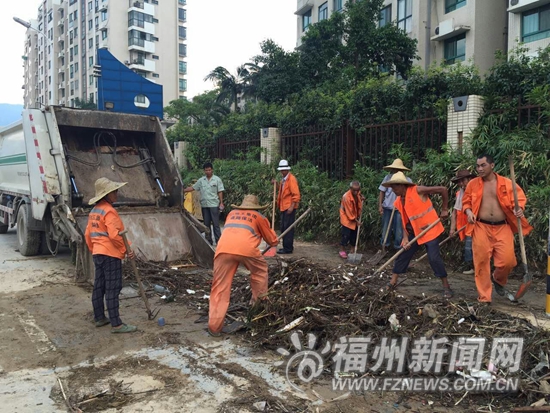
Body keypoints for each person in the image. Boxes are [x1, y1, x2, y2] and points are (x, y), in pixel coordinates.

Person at [462, 154, 533, 304]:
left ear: (492, 165)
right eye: (478, 166)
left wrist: (519, 209)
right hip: (481, 226)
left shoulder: (507, 183)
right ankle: (484, 297)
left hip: (503, 226)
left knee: (508, 261)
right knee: (481, 262)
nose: (479, 169)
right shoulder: (473, 184)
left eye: (483, 165)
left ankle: (498, 279)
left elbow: (519, 200)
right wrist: (468, 212)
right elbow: (466, 202)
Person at [208, 195, 278, 336]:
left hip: (223, 249)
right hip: (246, 250)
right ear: (256, 207)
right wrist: (273, 240)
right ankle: (258, 308)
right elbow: (272, 240)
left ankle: (214, 327)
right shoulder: (259, 216)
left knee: (220, 287)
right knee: (260, 272)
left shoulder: (231, 214)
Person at [383, 172, 453, 298]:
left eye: (395, 187)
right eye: (392, 187)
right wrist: (405, 238)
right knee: (403, 253)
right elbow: (405, 221)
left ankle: (446, 286)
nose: (393, 190)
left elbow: (443, 189)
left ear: (402, 185)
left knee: (433, 258)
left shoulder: (418, 190)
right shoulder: (399, 201)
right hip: (414, 232)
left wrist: (444, 208)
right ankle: (393, 281)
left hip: (429, 230)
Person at [85, 177, 137, 333]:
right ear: (106, 195)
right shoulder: (110, 211)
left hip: (98, 253)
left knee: (99, 286)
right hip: (111, 255)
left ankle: (100, 317)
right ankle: (117, 324)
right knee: (113, 288)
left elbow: (88, 234)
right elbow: (115, 236)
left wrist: (94, 249)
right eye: (114, 192)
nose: (117, 194)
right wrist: (126, 251)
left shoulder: (94, 212)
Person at [184, 162, 224, 245]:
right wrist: (183, 190)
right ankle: (208, 241)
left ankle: (219, 242)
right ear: (204, 171)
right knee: (206, 224)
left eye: (209, 170)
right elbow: (193, 188)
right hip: (205, 205)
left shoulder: (217, 180)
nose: (208, 172)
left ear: (212, 170)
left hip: (214, 205)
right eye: (206, 170)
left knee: (216, 224)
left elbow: (220, 191)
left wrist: (221, 203)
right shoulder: (201, 180)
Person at [378, 159, 412, 250]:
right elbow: (382, 192)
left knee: (399, 230)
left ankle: (398, 247)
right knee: (385, 229)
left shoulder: (407, 181)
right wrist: (380, 205)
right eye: (395, 169)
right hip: (388, 207)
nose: (396, 171)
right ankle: (385, 246)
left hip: (400, 210)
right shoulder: (388, 178)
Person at [449, 169, 476, 275]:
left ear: (469, 179)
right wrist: (452, 228)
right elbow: (455, 212)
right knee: (469, 247)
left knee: (474, 247)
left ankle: (477, 268)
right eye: (459, 182)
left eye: (462, 181)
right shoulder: (459, 194)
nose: (461, 183)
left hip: (476, 224)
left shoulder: (476, 191)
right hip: (466, 226)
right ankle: (472, 267)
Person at [274, 160, 301, 254]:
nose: (282, 171)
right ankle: (286, 246)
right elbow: (281, 191)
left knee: (288, 228)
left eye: (284, 170)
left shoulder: (291, 179)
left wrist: (292, 206)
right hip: (283, 206)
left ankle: (288, 248)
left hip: (289, 207)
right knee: (283, 227)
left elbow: (296, 195)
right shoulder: (284, 179)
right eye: (281, 170)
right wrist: (276, 184)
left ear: (287, 170)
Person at [339, 181, 364, 259]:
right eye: (354, 190)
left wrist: (362, 198)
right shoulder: (346, 197)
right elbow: (349, 212)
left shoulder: (358, 193)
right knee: (346, 234)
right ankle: (342, 250)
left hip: (355, 216)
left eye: (358, 190)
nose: (356, 192)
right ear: (350, 189)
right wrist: (357, 221)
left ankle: (352, 249)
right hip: (346, 218)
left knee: (354, 234)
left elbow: (360, 198)